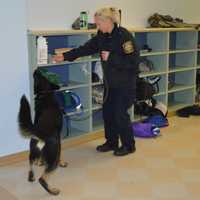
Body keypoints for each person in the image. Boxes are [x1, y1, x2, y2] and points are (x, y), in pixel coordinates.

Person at [53, 7, 140, 156]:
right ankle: (111, 142)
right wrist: (65, 56)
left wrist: (111, 58)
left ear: (108, 21)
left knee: (120, 114)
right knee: (108, 113)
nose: (97, 26)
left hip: (125, 84)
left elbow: (133, 61)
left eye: (99, 23)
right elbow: (86, 48)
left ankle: (129, 145)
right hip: (109, 84)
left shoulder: (124, 36)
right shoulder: (101, 35)